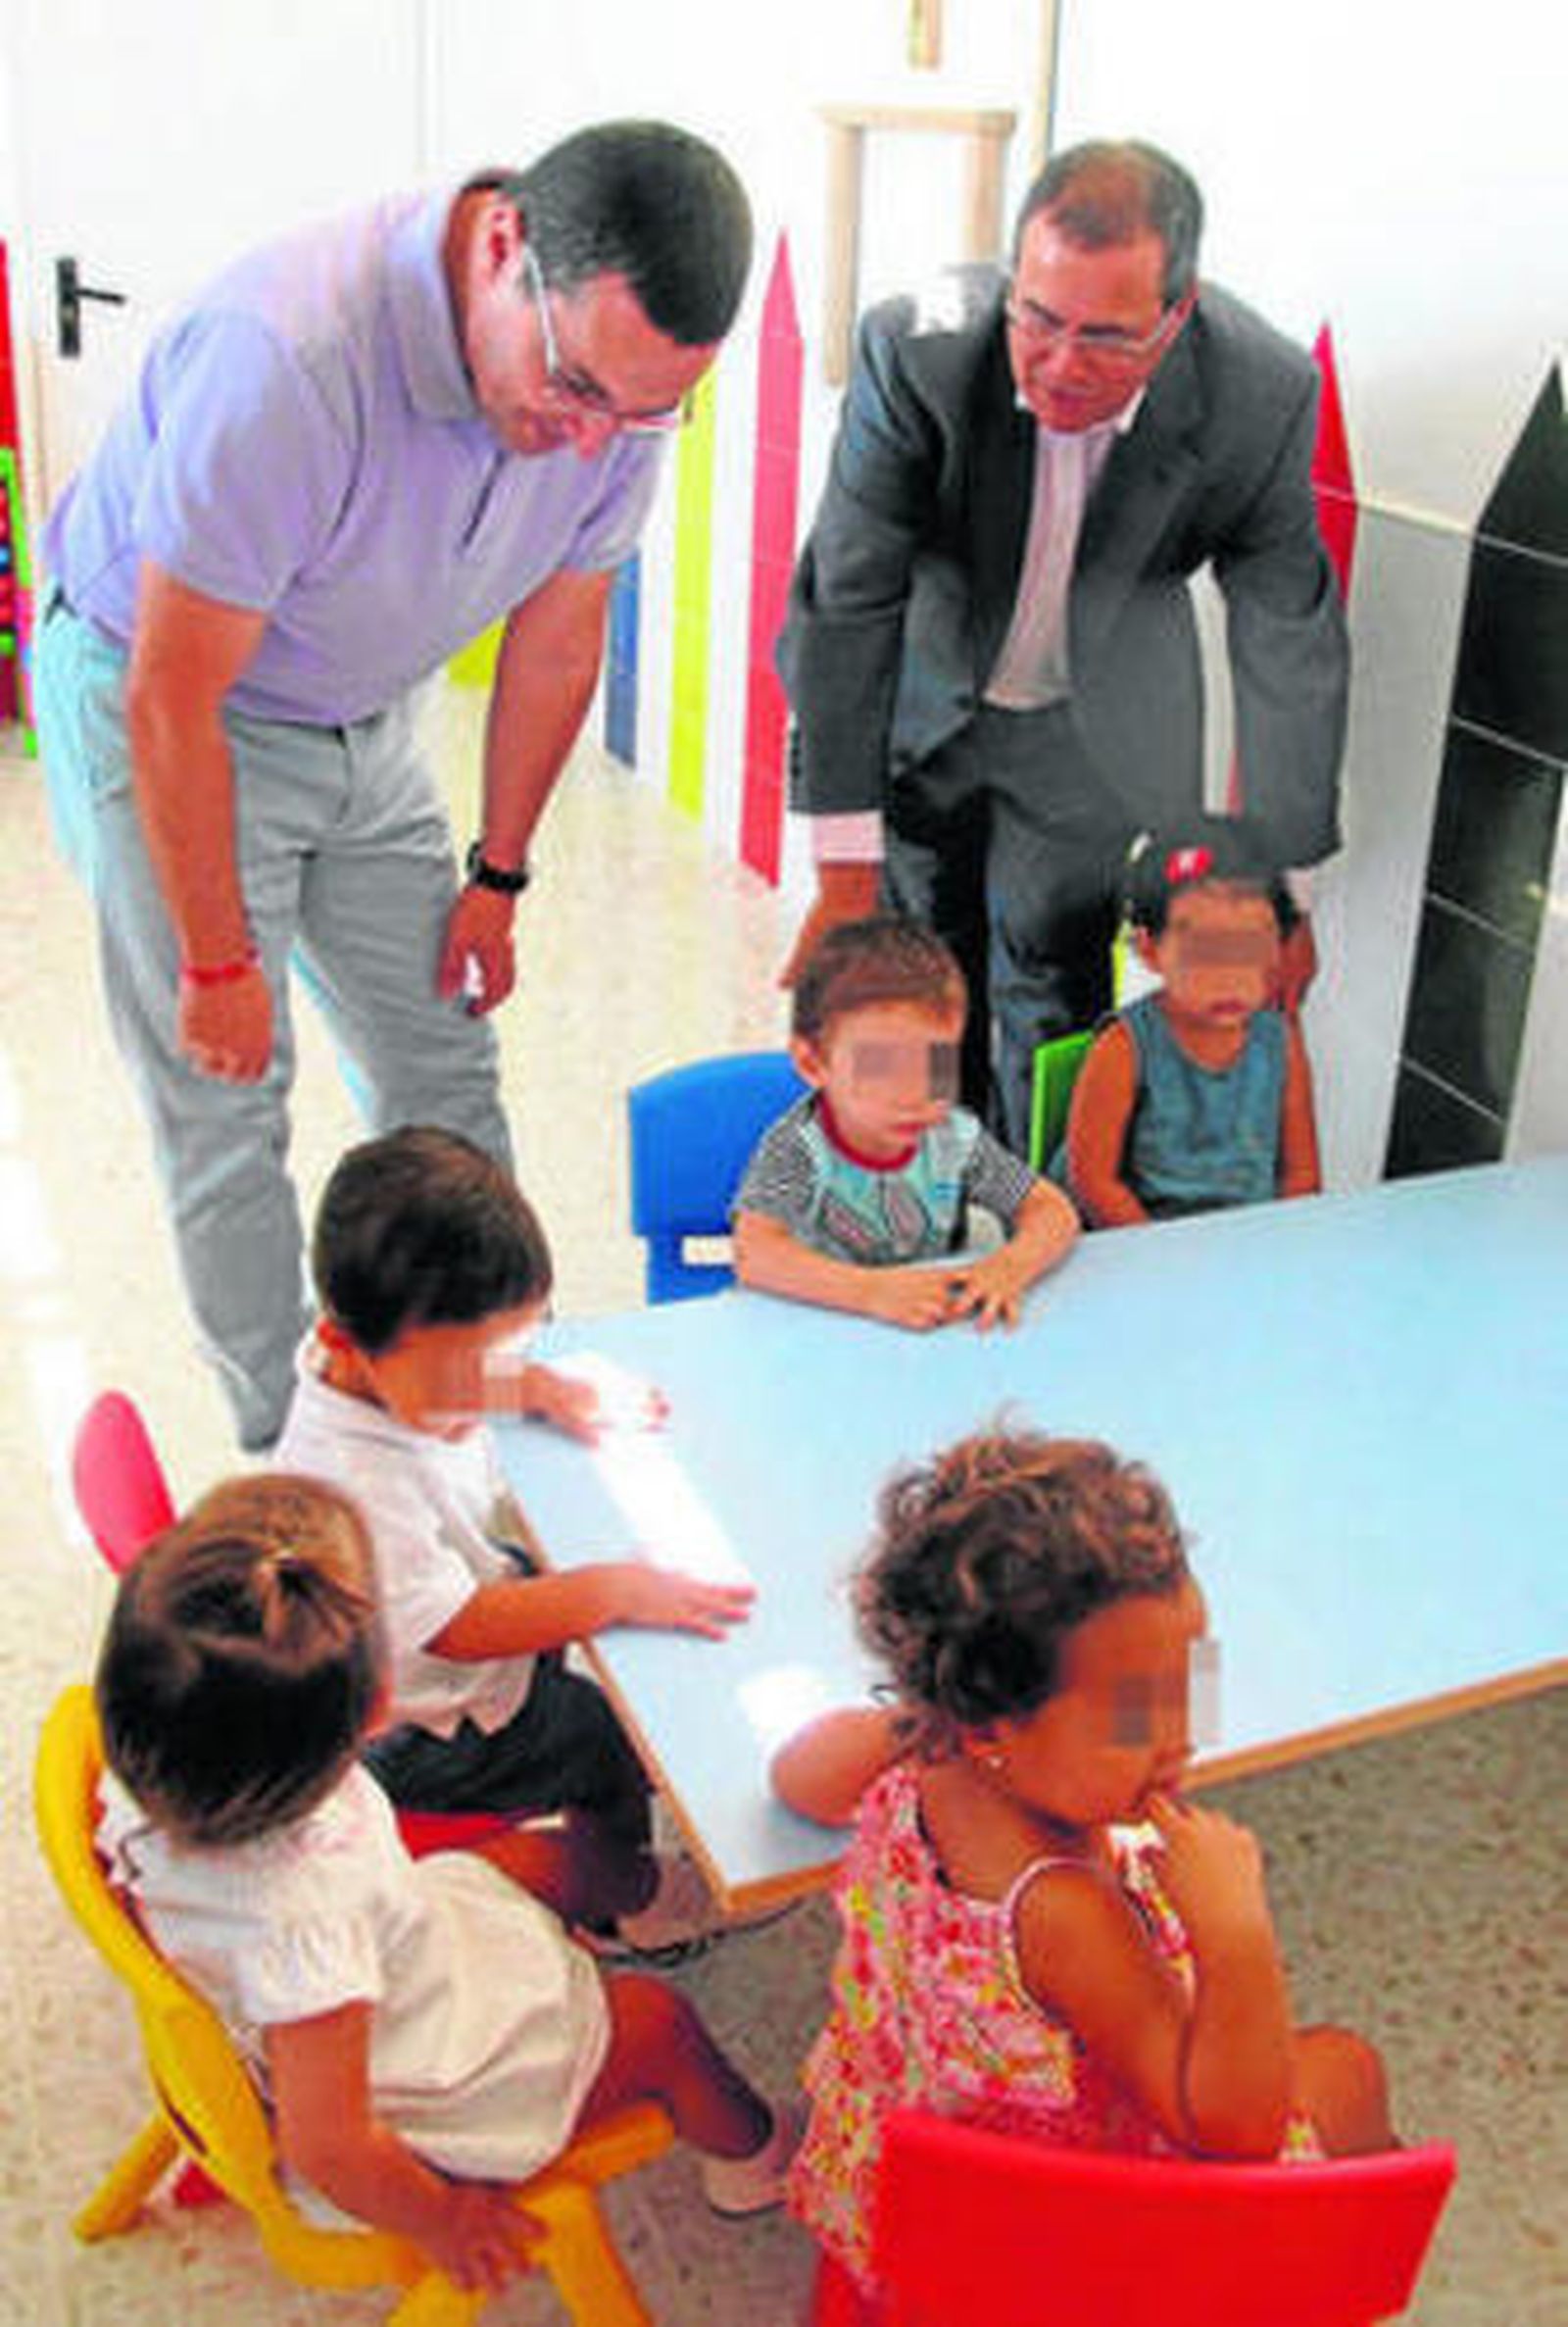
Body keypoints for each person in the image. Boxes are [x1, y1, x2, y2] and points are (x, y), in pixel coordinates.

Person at [34, 122, 753, 1453]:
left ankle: (492, 1385)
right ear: (502, 247)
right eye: (575, 383)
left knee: (443, 1057)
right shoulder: (291, 360)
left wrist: (500, 871)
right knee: (227, 1099)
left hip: (365, 712)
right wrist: (215, 957)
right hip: (176, 709)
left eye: (640, 413)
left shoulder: (619, 390)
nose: (590, 435)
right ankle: (297, 1459)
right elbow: (171, 693)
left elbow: (555, 634)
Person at [778, 137, 1348, 1157]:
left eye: (1107, 338)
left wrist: (1283, 898)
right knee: (918, 966)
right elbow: (846, 598)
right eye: (1037, 319)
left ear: (1176, 316)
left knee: (1052, 977)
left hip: (1092, 734)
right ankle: (926, 1192)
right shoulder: (917, 349)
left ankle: (1039, 1207)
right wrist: (842, 872)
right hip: (923, 706)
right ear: (1013, 279)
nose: (1059, 364)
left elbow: (1287, 634)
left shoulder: (1257, 392)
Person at [93, 1475, 796, 2298]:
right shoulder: (305, 1923)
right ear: (380, 1712)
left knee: (545, 1860)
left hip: (406, 1948)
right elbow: (330, 2144)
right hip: (434, 2079)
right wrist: (442, 2218)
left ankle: (653, 1899)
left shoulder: (157, 1759)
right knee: (659, 2022)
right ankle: (758, 2155)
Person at [772, 1428, 1394, 2297]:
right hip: (1051, 2240)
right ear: (994, 1724)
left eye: (1192, 1681)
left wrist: (922, 1717)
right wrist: (1234, 1931)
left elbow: (797, 1781)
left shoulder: (929, 1753)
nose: (1184, 1736)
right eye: (1141, 1711)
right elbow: (1230, 2132)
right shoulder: (1064, 1911)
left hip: (900, 2175)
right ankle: (1330, 2269)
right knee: (1349, 2072)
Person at [273, 1124, 755, 1955]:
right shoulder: (349, 1484)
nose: (481, 1388)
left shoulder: (376, 1356)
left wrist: (536, 1386)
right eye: (464, 1373)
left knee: (562, 1585)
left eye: (500, 1354)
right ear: (345, 1342)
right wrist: (615, 1591)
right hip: (428, 1723)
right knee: (600, 1748)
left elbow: (451, 1374)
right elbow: (460, 1628)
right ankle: (627, 1902)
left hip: (458, 1605)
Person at [732, 915, 1079, 1329]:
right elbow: (754, 1253)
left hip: (930, 1334)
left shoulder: (954, 1137)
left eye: (936, 1065)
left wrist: (1009, 1267)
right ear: (812, 1063)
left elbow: (1051, 1209)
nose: (916, 1095)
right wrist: (871, 1292)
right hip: (822, 1329)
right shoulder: (799, 1146)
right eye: (882, 1068)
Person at [1063, 817, 1321, 1224]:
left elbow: (1302, 1175)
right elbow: (1094, 1184)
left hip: (1245, 1246)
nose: (1231, 977)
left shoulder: (1280, 1041)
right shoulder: (1124, 1047)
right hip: (1141, 1243)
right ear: (1149, 951)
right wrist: (1163, 1260)